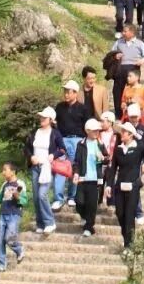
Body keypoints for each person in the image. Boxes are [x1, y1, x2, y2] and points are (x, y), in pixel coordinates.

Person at [23, 107, 65, 235]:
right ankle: (40, 223)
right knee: (36, 197)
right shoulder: (35, 132)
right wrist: (31, 157)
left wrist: (53, 155)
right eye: (41, 117)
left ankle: (50, 222)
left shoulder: (55, 133)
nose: (41, 119)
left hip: (47, 167)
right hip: (35, 167)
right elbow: (26, 148)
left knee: (42, 195)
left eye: (44, 118)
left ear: (50, 120)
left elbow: (62, 149)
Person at [109, 119, 144, 251]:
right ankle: (127, 238)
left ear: (130, 134)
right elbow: (113, 168)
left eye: (124, 132)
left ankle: (129, 244)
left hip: (133, 187)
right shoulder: (118, 149)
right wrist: (109, 185)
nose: (122, 134)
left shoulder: (138, 147)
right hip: (120, 186)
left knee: (130, 215)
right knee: (120, 213)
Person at [0, 161, 27, 272]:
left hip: (14, 214)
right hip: (3, 214)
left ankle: (19, 249)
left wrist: (18, 197)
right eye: (2, 170)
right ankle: (1, 264)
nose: (2, 172)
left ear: (12, 171)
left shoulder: (20, 184)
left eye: (5, 170)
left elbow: (24, 200)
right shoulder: (5, 185)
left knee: (9, 237)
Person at [52, 81, 86, 209]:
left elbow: (87, 126)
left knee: (74, 168)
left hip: (77, 140)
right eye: (65, 92)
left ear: (75, 93)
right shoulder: (59, 107)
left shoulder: (83, 108)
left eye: (68, 92)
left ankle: (72, 196)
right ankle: (58, 198)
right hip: (62, 139)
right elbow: (55, 123)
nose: (66, 94)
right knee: (60, 169)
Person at [72, 118, 106, 237]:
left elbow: (107, 159)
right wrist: (76, 173)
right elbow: (76, 161)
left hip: (95, 179)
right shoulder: (81, 144)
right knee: (79, 202)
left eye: (98, 130)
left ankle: (89, 227)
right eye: (94, 130)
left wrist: (102, 158)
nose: (97, 133)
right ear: (87, 131)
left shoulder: (100, 144)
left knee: (92, 204)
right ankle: (86, 218)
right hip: (83, 178)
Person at [124, 100, 144, 226]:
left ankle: (139, 213)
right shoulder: (124, 128)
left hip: (138, 162)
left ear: (139, 116)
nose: (134, 119)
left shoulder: (143, 129)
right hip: (125, 162)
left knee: (135, 188)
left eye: (135, 117)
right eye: (131, 117)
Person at [112, 24, 144, 114]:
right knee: (117, 91)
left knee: (133, 91)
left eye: (125, 31)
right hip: (120, 69)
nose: (123, 33)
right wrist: (115, 55)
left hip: (133, 68)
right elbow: (111, 52)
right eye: (123, 31)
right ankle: (119, 113)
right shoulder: (119, 42)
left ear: (132, 33)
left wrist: (142, 60)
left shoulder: (139, 43)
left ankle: (132, 112)